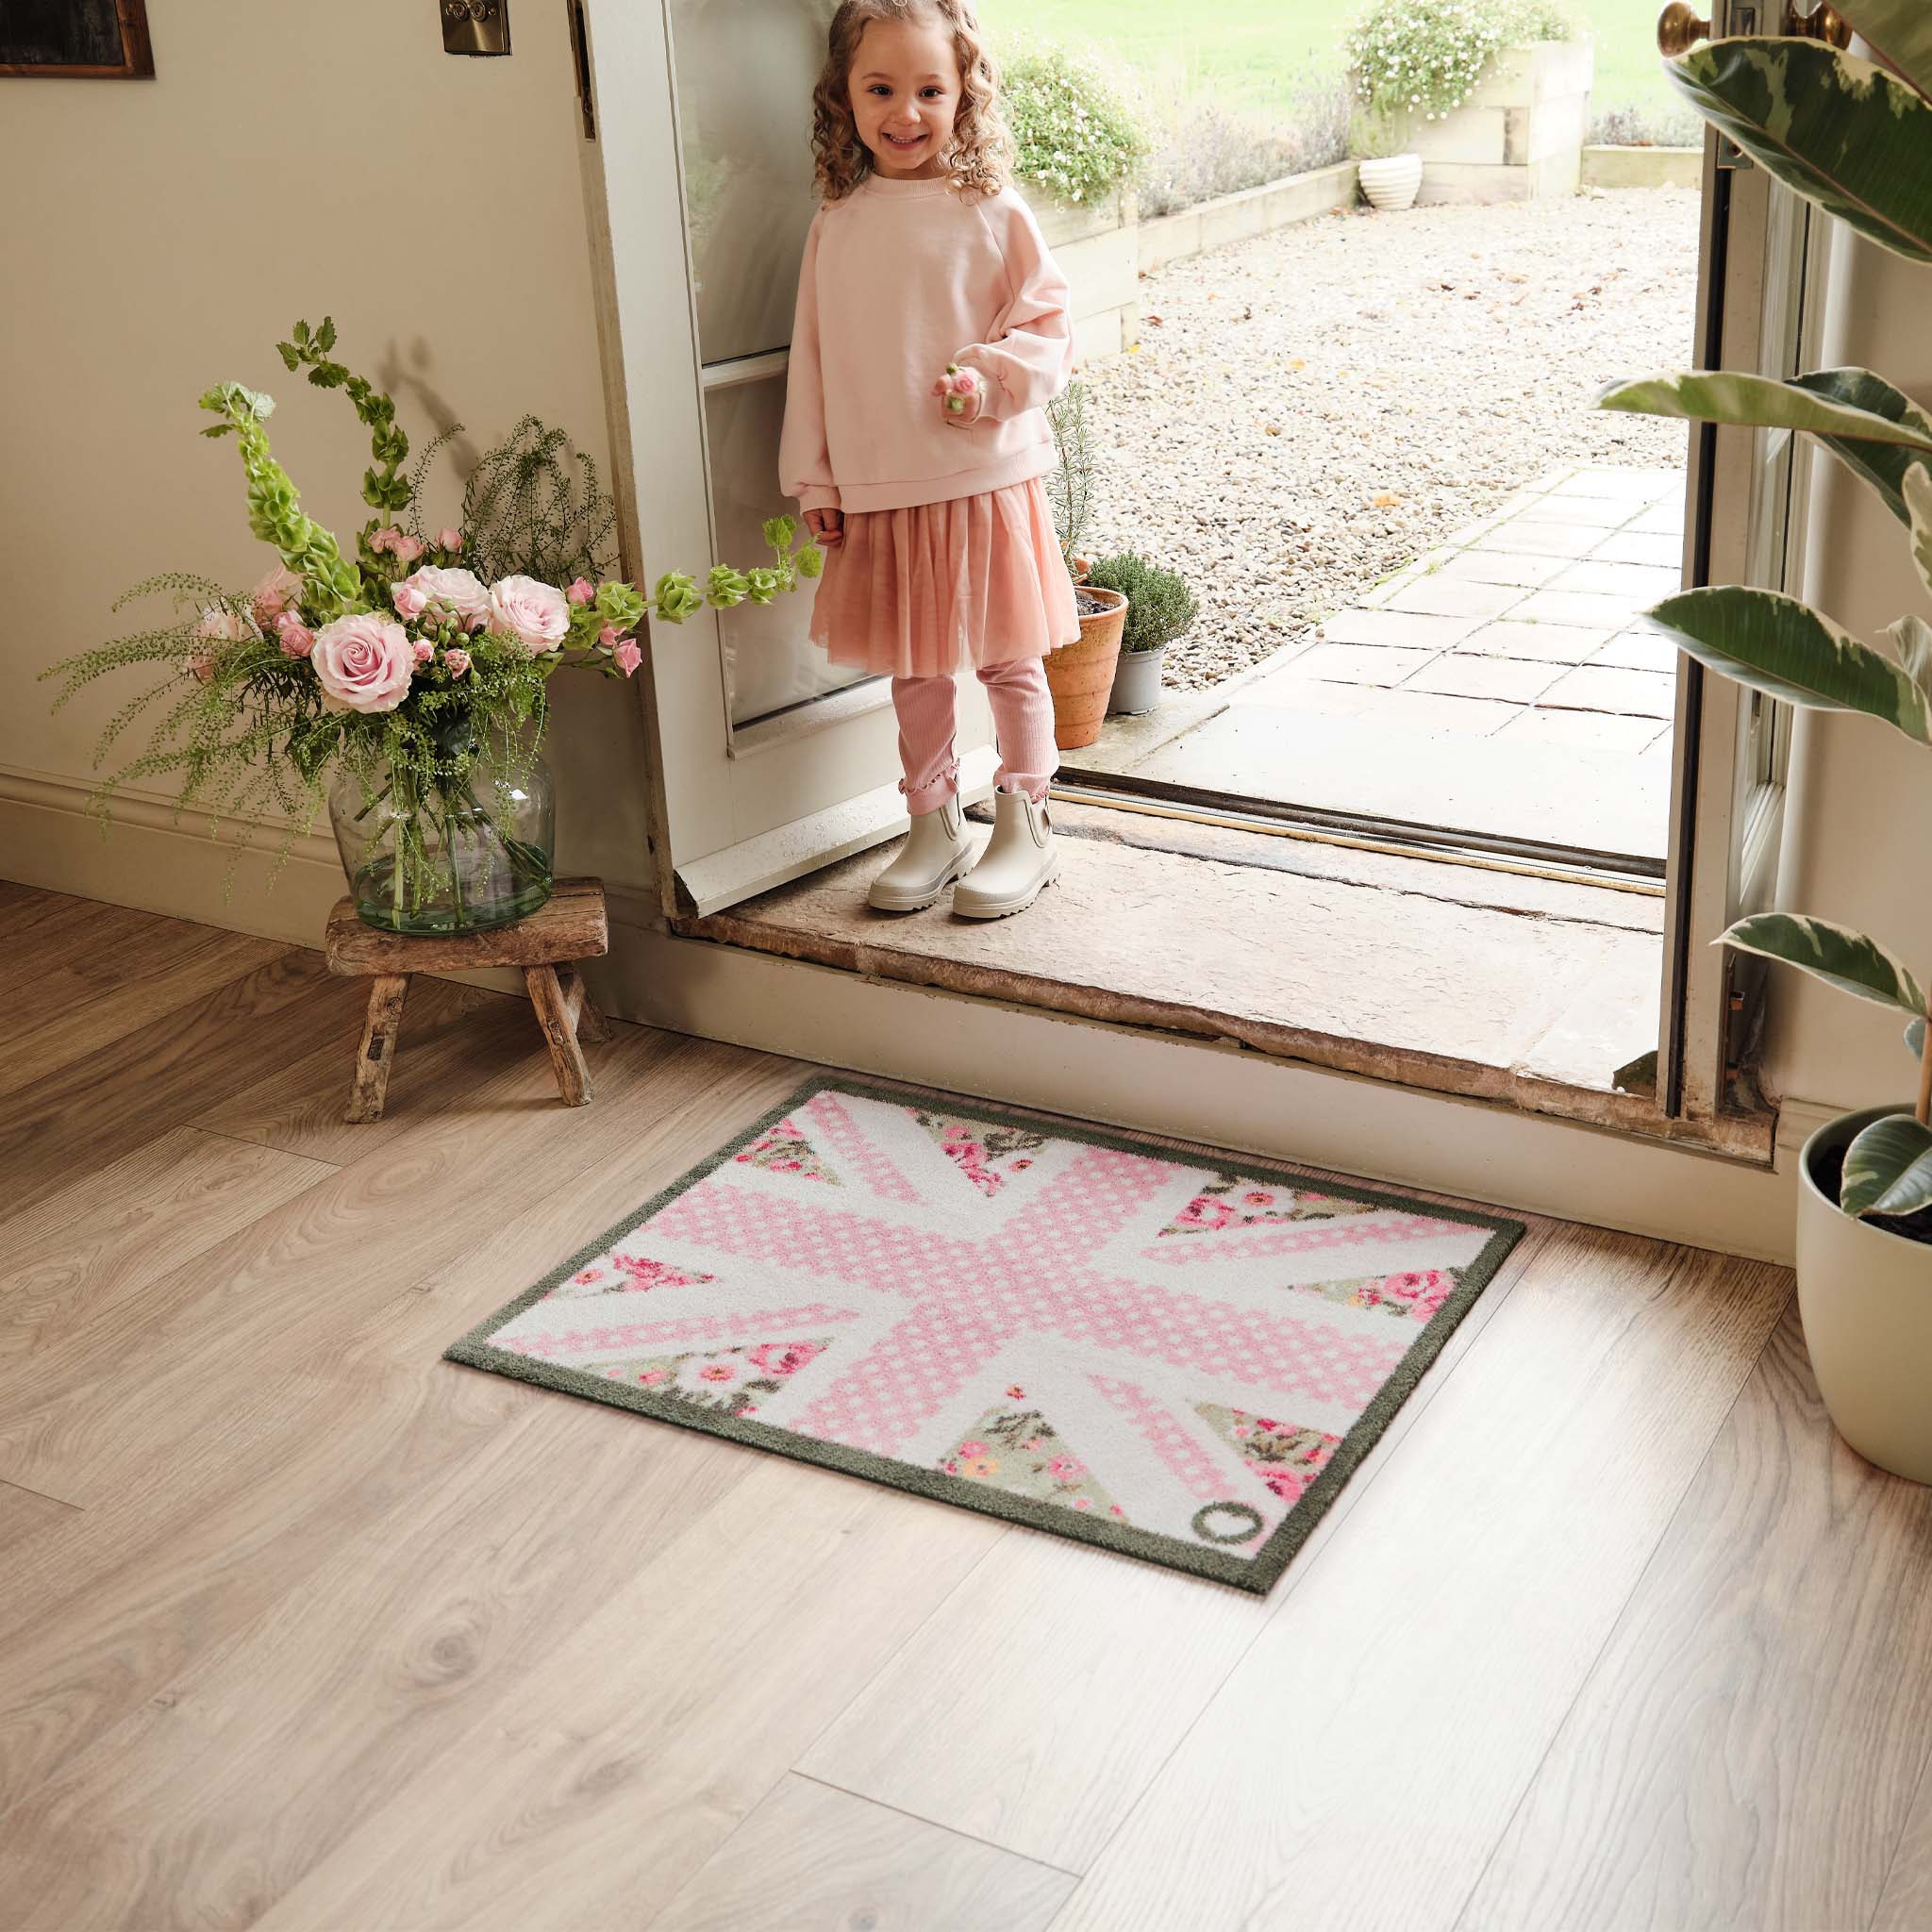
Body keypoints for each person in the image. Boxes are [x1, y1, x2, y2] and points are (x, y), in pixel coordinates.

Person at [777, 0, 1081, 920]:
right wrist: (816, 475)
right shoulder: (838, 222)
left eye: (928, 91)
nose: (904, 113)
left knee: (1008, 661)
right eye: (880, 89)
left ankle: (1025, 822)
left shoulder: (991, 211)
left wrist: (988, 380)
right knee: (912, 672)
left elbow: (1048, 326)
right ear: (843, 95)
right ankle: (932, 824)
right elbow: (813, 356)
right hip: (882, 483)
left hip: (983, 478)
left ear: (963, 95)